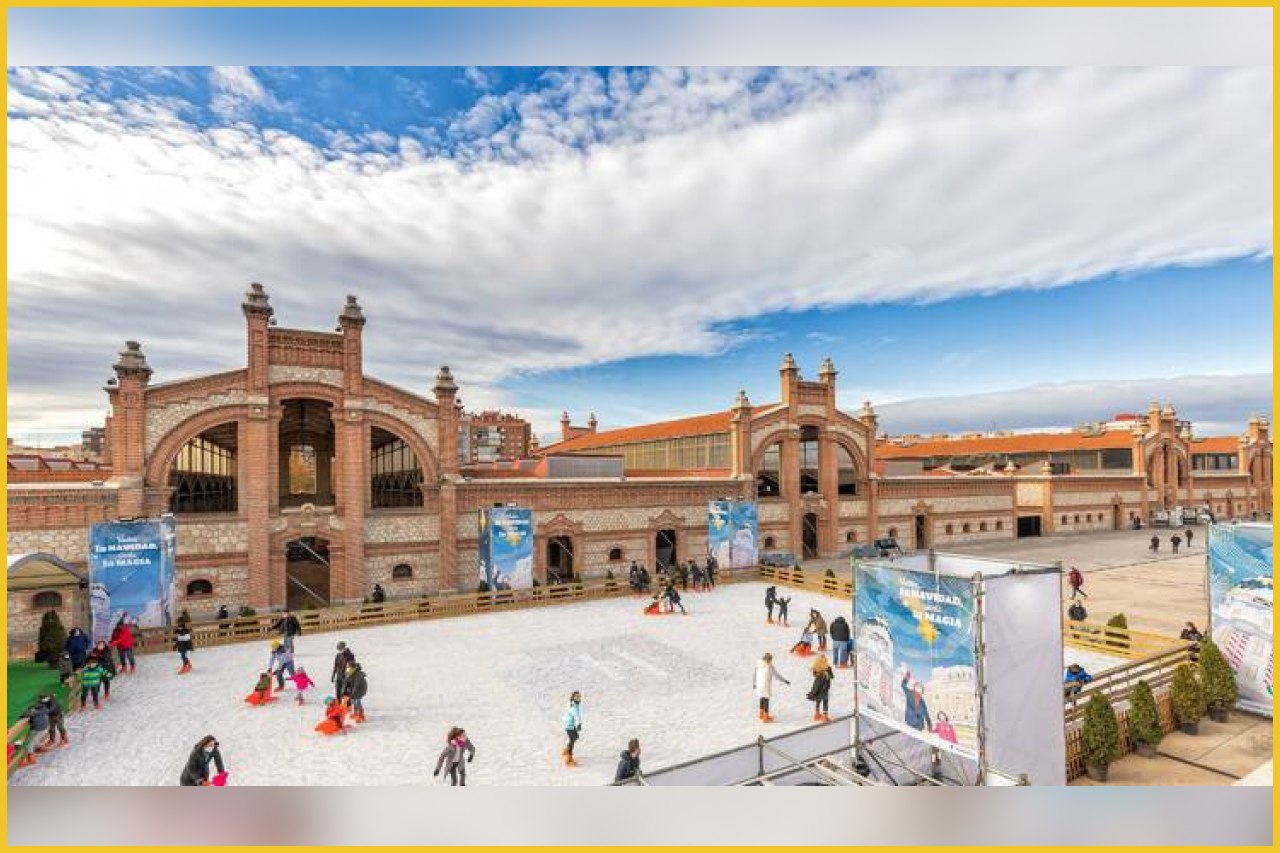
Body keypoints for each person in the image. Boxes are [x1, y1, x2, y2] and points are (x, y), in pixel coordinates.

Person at [754, 653, 790, 723]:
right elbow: (776, 676)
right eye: (770, 660)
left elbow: (755, 674)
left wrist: (754, 683)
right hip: (765, 685)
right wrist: (785, 680)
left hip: (759, 685)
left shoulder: (759, 664)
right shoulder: (769, 667)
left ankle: (761, 714)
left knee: (762, 698)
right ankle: (765, 717)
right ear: (769, 660)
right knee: (766, 700)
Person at [16, 701, 51, 765]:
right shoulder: (43, 710)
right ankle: (39, 748)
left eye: (32, 709)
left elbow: (25, 715)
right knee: (35, 739)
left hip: (39, 729)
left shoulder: (35, 713)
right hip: (42, 728)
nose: (31, 710)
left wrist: (22, 715)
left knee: (30, 744)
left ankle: (31, 759)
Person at [807, 654, 834, 722]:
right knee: (825, 702)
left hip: (819, 690)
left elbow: (816, 684)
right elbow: (832, 676)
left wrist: (812, 693)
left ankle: (817, 714)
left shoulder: (818, 673)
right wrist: (828, 673)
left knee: (818, 702)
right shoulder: (827, 669)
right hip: (825, 690)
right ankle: (825, 716)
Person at [562, 691, 584, 767]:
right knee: (573, 739)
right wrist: (579, 724)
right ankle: (568, 759)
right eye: (577, 696)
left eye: (579, 696)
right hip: (569, 725)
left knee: (575, 737)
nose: (579, 698)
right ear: (573, 697)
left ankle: (566, 750)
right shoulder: (572, 705)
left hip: (570, 723)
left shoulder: (574, 703)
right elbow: (575, 714)